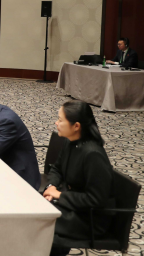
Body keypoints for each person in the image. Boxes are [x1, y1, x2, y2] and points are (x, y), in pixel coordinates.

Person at [45, 100, 114, 256]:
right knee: (34, 211)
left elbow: (95, 199)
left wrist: (60, 195)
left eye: (60, 120)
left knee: (41, 223)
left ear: (76, 126)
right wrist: (51, 187)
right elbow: (57, 168)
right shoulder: (70, 142)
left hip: (89, 219)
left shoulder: (93, 154)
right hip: (73, 206)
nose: (56, 123)